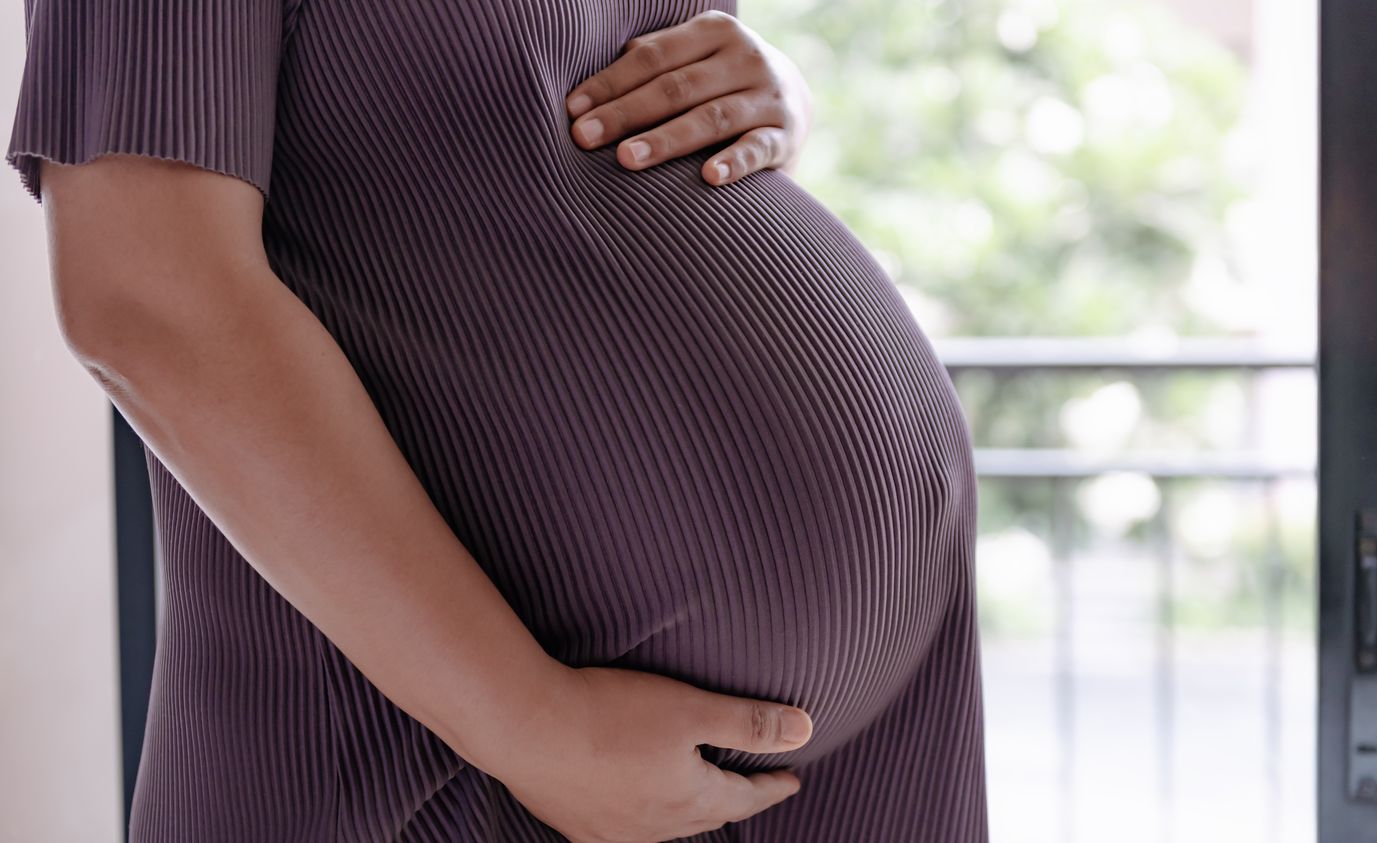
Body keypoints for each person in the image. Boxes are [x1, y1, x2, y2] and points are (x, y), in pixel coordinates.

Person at [6, 0, 989, 840]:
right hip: (448, 764)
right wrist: (529, 725)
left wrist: (769, 85)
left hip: (859, 737)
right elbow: (146, 299)